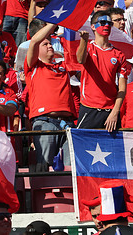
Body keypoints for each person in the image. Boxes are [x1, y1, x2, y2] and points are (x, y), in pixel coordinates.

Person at [25, 23, 76, 171]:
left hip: (68, 124)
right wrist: (54, 23)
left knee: (70, 168)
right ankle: (43, 195)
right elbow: (34, 41)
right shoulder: (33, 67)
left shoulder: (63, 68)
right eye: (45, 44)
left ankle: (70, 195)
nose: (50, 45)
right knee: (44, 166)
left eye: (50, 43)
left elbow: (79, 57)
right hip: (45, 122)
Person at [77, 10, 128, 131]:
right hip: (89, 108)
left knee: (113, 149)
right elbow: (80, 60)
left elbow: (122, 89)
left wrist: (115, 112)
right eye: (102, 22)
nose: (106, 26)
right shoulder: (88, 48)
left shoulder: (119, 54)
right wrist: (83, 41)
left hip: (111, 111)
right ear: (93, 26)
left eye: (109, 23)